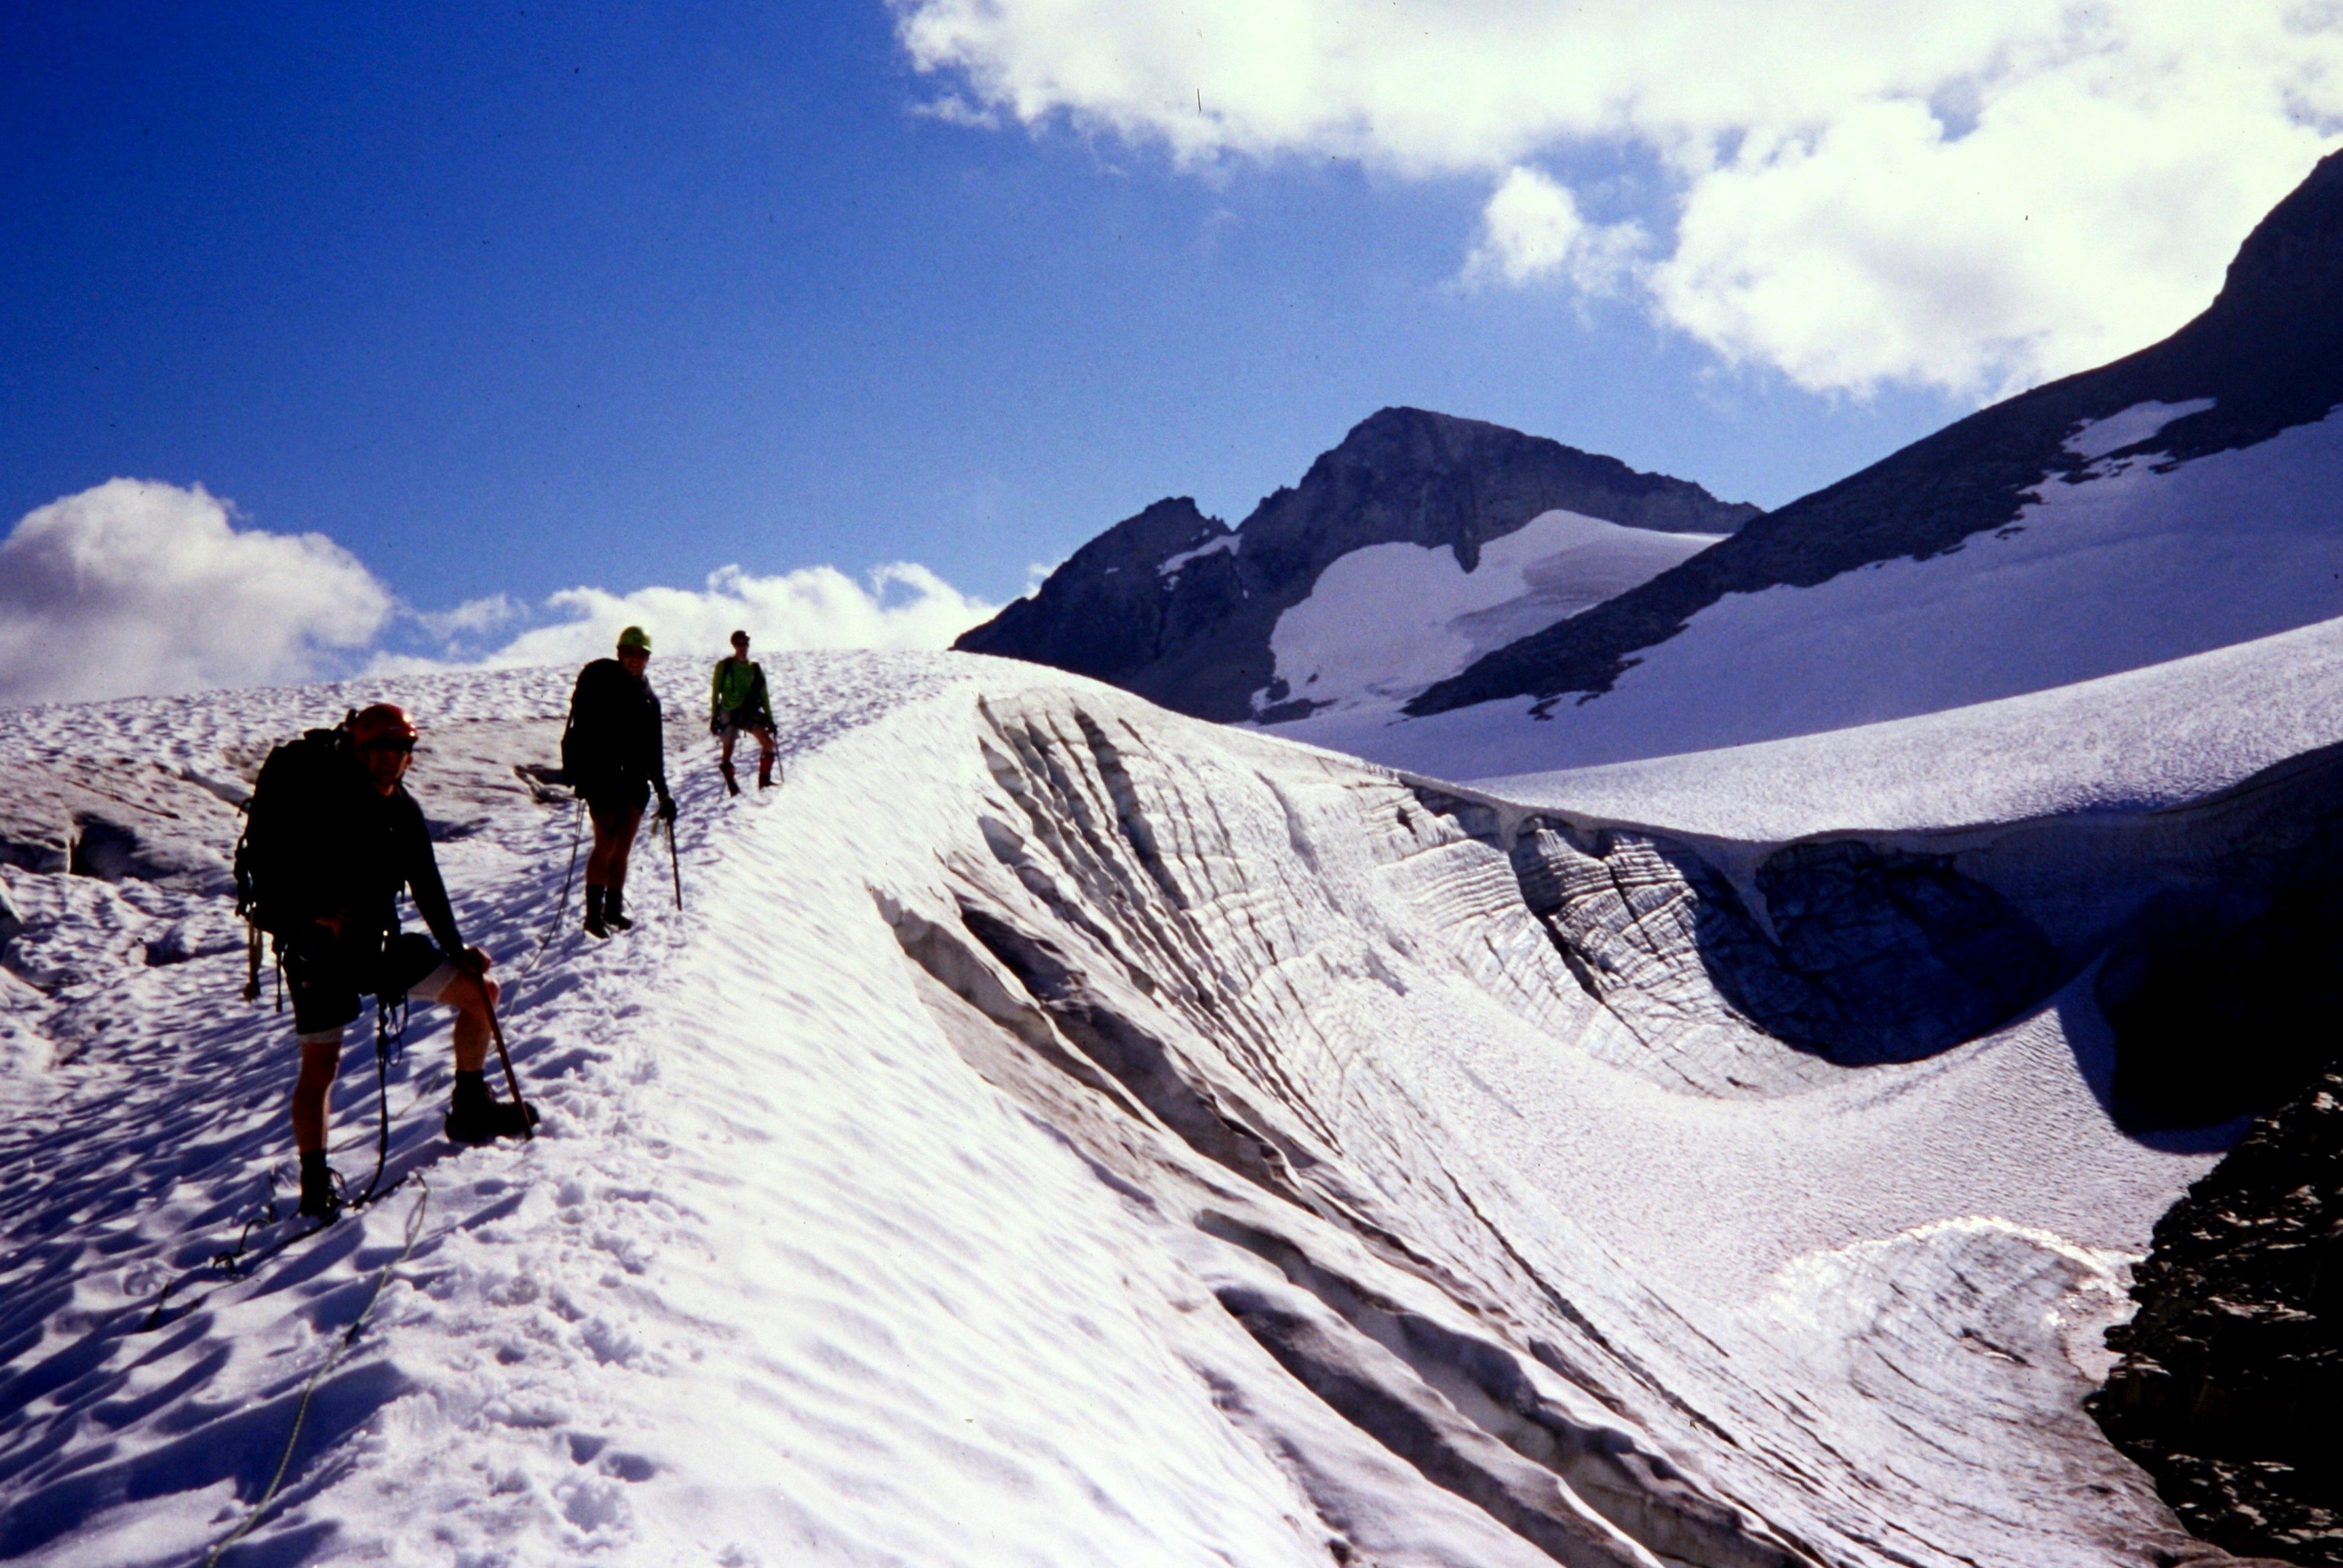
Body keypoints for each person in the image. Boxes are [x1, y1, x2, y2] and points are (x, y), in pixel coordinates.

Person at [277, 703, 534, 1219]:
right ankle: (313, 1183)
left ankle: (469, 1108)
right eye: (382, 751)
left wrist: (457, 947)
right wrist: (312, 915)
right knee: (320, 1066)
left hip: (376, 947)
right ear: (360, 750)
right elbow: (277, 875)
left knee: (481, 992)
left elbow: (427, 885)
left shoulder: (403, 809)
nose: (392, 760)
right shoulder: (324, 802)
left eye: (401, 751)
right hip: (319, 953)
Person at [563, 624, 675, 938]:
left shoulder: (650, 699)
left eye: (641, 654)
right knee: (606, 842)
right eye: (630, 653)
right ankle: (592, 916)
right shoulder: (603, 686)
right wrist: (582, 774)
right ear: (620, 653)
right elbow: (585, 732)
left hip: (635, 781)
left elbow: (655, 750)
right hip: (602, 776)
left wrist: (663, 793)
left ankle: (612, 911)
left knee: (623, 846)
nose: (635, 659)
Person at [709, 629, 777, 795]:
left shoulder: (754, 669)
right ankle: (734, 787)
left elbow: (763, 694)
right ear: (734, 644)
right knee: (728, 751)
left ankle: (764, 782)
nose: (743, 646)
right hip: (728, 711)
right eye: (740, 643)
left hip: (745, 712)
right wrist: (714, 716)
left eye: (745, 643)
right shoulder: (724, 666)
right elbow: (716, 691)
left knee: (768, 744)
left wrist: (770, 718)